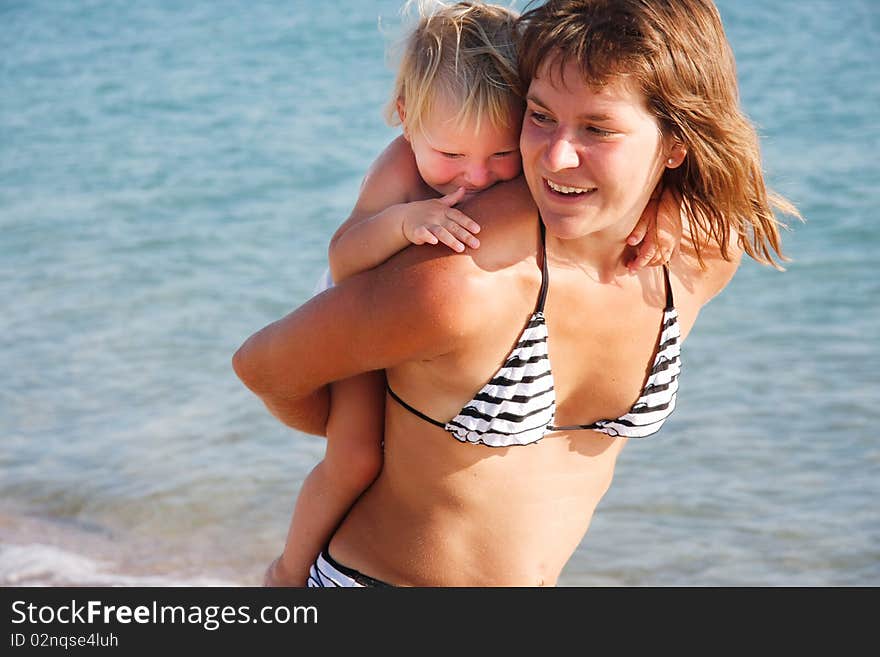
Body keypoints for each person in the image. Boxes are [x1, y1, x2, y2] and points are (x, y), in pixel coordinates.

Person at [235, 0, 799, 587]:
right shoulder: (462, 280)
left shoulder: (699, 253)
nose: (555, 157)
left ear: (676, 144)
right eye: (539, 116)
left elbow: (727, 214)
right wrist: (369, 427)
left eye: (598, 128)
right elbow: (262, 365)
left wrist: (671, 200)